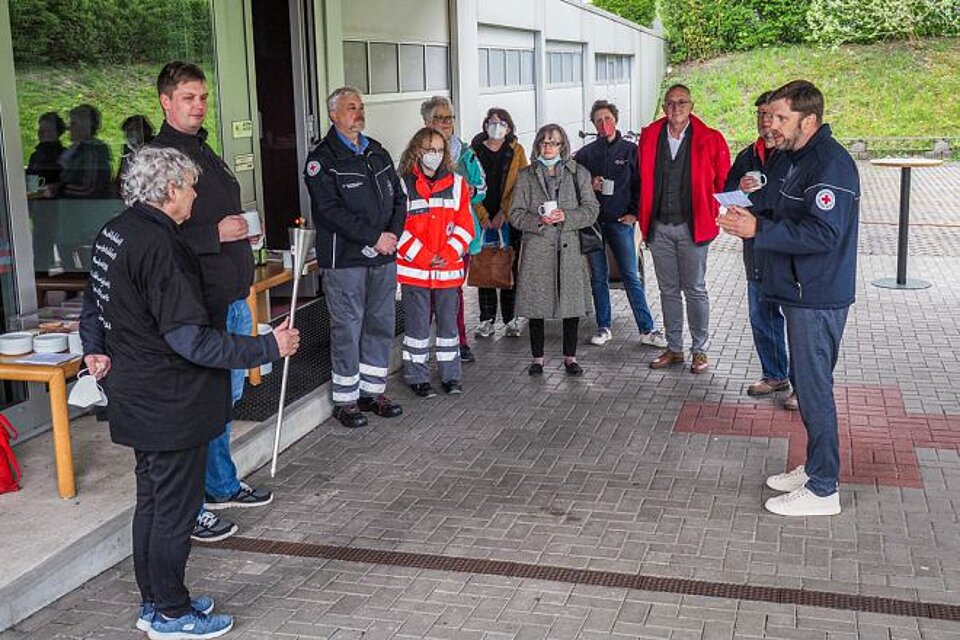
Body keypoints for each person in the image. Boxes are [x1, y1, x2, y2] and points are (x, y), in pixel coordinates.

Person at [79, 146, 299, 639]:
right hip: (170, 400)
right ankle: (173, 615)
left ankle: (155, 601)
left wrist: (94, 347)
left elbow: (93, 306)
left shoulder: (114, 232)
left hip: (136, 394)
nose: (196, 195)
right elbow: (189, 338)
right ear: (170, 189)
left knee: (153, 503)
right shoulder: (162, 246)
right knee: (174, 511)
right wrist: (268, 345)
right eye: (191, 186)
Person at [718, 80, 860, 517]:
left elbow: (824, 232)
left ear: (809, 120)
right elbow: (781, 210)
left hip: (817, 296)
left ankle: (823, 489)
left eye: (781, 118)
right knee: (807, 385)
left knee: (814, 390)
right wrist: (751, 214)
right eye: (769, 117)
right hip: (799, 291)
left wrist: (760, 230)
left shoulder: (830, 165)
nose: (771, 125)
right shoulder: (793, 159)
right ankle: (816, 467)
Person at [151, 61, 271, 543]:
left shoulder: (201, 147)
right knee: (202, 404)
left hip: (231, 292)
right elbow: (153, 230)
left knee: (227, 397)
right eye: (188, 98)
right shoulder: (160, 156)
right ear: (165, 101)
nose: (198, 105)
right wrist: (212, 233)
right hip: (197, 303)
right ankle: (194, 503)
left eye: (202, 97)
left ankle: (220, 483)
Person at [304, 86, 406, 428]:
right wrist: (373, 237)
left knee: (380, 323)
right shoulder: (322, 160)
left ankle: (372, 392)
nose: (358, 112)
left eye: (360, 106)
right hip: (345, 259)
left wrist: (391, 236)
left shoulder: (376, 152)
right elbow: (329, 211)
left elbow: (399, 198)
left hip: (383, 255)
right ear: (333, 114)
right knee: (348, 327)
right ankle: (346, 400)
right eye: (350, 107)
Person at [638, 84, 730, 374]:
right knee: (667, 290)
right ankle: (674, 348)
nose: (675, 108)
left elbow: (724, 183)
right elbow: (639, 177)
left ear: (691, 106)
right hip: (659, 227)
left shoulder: (711, 138)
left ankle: (699, 350)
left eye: (681, 102)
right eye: (670, 103)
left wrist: (724, 212)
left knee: (695, 289)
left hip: (694, 228)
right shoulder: (650, 136)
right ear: (664, 108)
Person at [724, 92, 796, 409]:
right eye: (760, 116)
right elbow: (726, 194)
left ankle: (802, 385)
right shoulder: (746, 156)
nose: (765, 122)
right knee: (760, 316)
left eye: (771, 115)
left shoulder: (795, 156)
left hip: (786, 250)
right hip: (754, 251)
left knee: (797, 321)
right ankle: (775, 374)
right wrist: (739, 189)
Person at [575, 99, 666, 349]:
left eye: (607, 119)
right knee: (598, 277)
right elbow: (573, 187)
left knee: (630, 275)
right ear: (593, 125)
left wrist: (635, 214)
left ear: (615, 120)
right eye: (598, 121)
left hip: (620, 222)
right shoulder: (585, 154)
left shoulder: (630, 151)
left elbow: (643, 184)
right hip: (593, 224)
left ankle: (647, 328)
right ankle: (604, 327)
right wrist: (588, 185)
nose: (603, 124)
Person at [510, 124, 599, 376]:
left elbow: (592, 209)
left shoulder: (578, 173)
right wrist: (538, 221)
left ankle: (570, 358)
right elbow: (515, 214)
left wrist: (567, 216)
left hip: (569, 248)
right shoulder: (526, 175)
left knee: (571, 304)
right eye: (544, 142)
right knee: (536, 304)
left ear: (563, 146)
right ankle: (537, 358)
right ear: (538, 145)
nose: (548, 147)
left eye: (554, 142)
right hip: (538, 247)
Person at [396, 127, 474, 397]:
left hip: (448, 271)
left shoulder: (458, 184)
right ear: (417, 151)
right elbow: (397, 229)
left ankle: (451, 376)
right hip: (415, 271)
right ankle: (417, 377)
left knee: (448, 329)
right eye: (429, 150)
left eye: (440, 150)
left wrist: (450, 253)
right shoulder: (403, 185)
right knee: (416, 329)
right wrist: (426, 256)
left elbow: (466, 225)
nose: (435, 155)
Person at [421, 96, 487, 362]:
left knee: (453, 292)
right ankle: (420, 345)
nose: (447, 123)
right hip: (425, 237)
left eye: (450, 118)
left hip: (459, 238)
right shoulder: (416, 153)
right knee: (424, 293)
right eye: (440, 117)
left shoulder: (466, 153)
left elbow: (482, 188)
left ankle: (458, 342)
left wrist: (471, 191)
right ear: (427, 122)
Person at [470, 108, 528, 338]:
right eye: (492, 122)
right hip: (481, 217)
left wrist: (504, 212)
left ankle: (512, 317)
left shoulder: (516, 151)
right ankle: (486, 319)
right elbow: (469, 185)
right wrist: (483, 215)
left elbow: (522, 183)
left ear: (509, 127)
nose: (496, 126)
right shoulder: (473, 152)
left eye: (501, 122)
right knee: (483, 265)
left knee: (509, 265)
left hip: (508, 217)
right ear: (485, 125)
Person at [59, 104, 114, 199]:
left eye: (73, 123)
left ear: (85, 127)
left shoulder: (93, 152)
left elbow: (90, 189)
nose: (68, 128)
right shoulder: (75, 149)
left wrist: (58, 189)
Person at [26, 111, 66, 187]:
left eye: (46, 129)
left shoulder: (66, 155)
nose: (41, 132)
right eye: (40, 129)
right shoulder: (35, 156)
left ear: (57, 132)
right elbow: (31, 186)